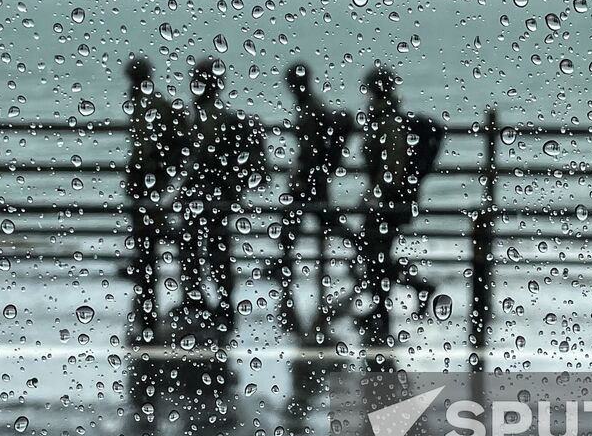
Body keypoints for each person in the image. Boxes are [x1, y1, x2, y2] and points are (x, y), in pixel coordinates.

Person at [174, 58, 269, 338]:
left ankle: (209, 301)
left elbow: (197, 158)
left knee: (205, 249)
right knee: (206, 249)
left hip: (208, 194)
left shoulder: (210, 118)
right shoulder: (211, 116)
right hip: (209, 194)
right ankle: (210, 300)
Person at [353, 64, 443, 351]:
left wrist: (377, 195)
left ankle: (383, 314)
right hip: (386, 201)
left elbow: (394, 164)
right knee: (376, 255)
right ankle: (411, 292)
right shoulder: (382, 118)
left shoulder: (389, 122)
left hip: (388, 203)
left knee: (375, 255)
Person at [271, 63, 353, 337]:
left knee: (304, 224)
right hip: (312, 177)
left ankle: (284, 267)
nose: (290, 88)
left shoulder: (311, 109)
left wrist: (300, 174)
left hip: (309, 178)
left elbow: (311, 147)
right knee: (322, 222)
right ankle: (357, 252)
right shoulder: (312, 106)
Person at [122, 56, 188, 343]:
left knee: (148, 244)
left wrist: (163, 171)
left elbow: (178, 137)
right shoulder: (142, 103)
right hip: (143, 182)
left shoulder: (154, 105)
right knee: (144, 245)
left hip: (151, 183)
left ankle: (148, 305)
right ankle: (146, 303)